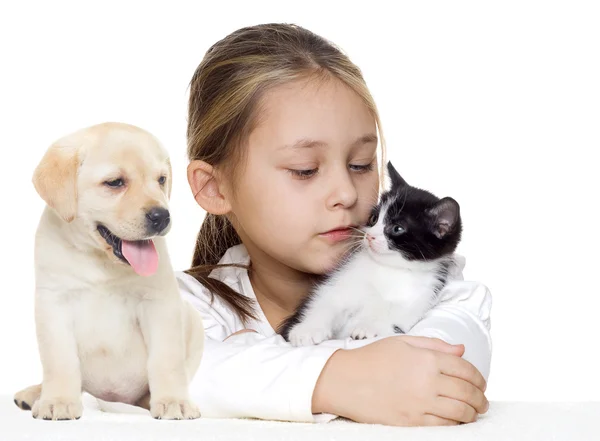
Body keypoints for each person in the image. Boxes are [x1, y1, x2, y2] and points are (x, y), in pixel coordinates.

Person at [179, 23, 491, 426]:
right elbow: (164, 372)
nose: (346, 192)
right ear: (214, 188)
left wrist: (253, 367)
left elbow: (443, 373)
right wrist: (340, 380)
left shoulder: (440, 288)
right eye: (305, 170)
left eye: (361, 165)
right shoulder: (183, 304)